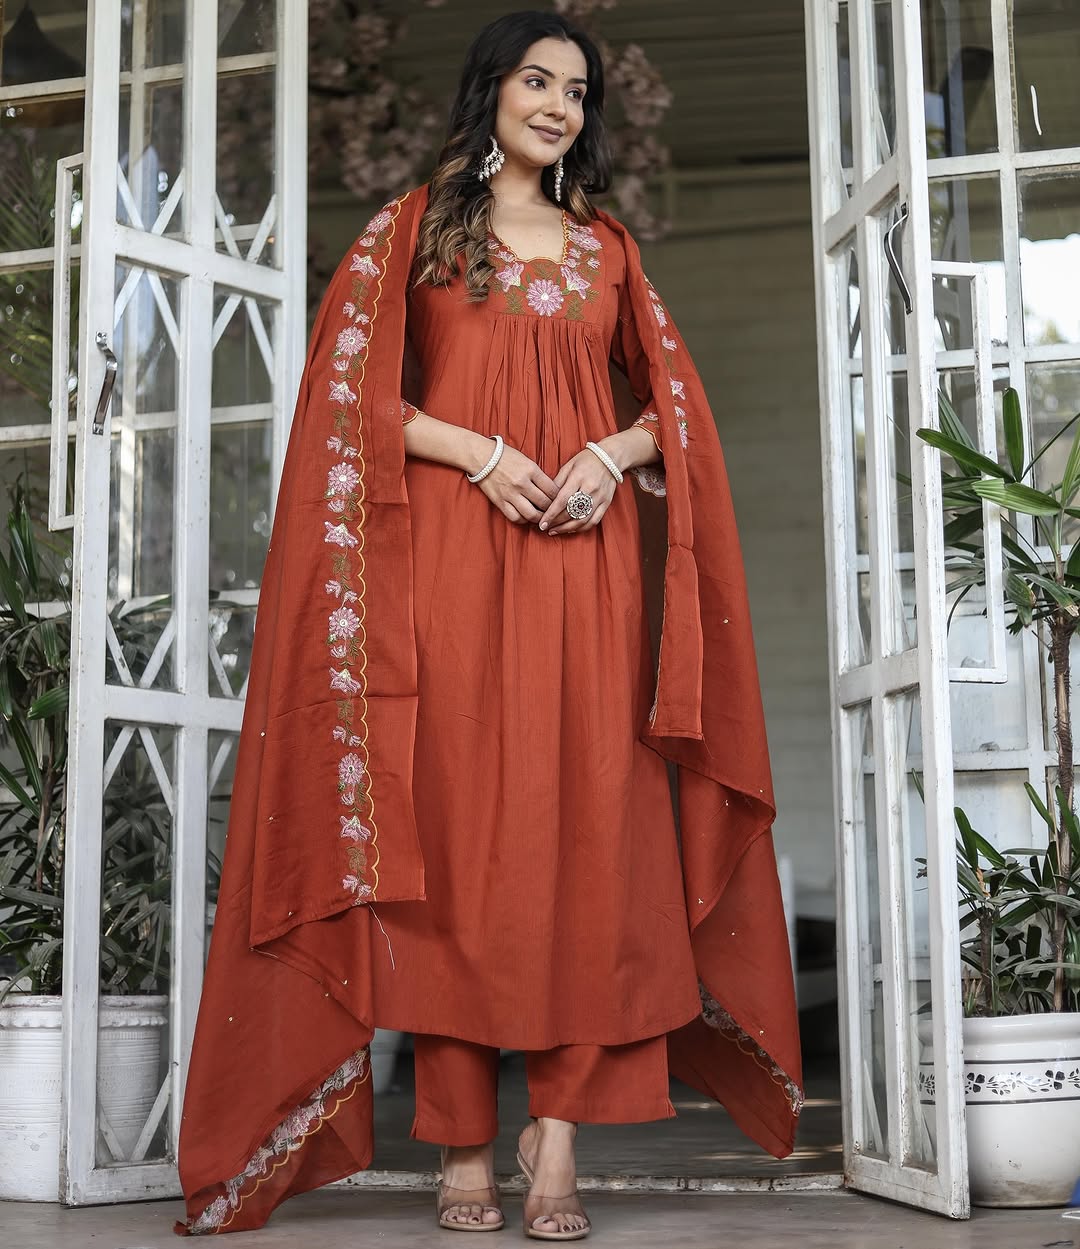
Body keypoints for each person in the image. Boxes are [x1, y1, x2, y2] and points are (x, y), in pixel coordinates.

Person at [177, 10, 802, 1241]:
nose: (560, 106)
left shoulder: (607, 249)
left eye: (578, 91)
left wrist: (613, 458)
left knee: (589, 843)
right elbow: (346, 403)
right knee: (458, 848)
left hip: (585, 582)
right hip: (450, 574)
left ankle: (555, 1136)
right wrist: (485, 451)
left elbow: (673, 412)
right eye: (538, 80)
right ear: (493, 91)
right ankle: (462, 1134)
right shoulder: (410, 233)